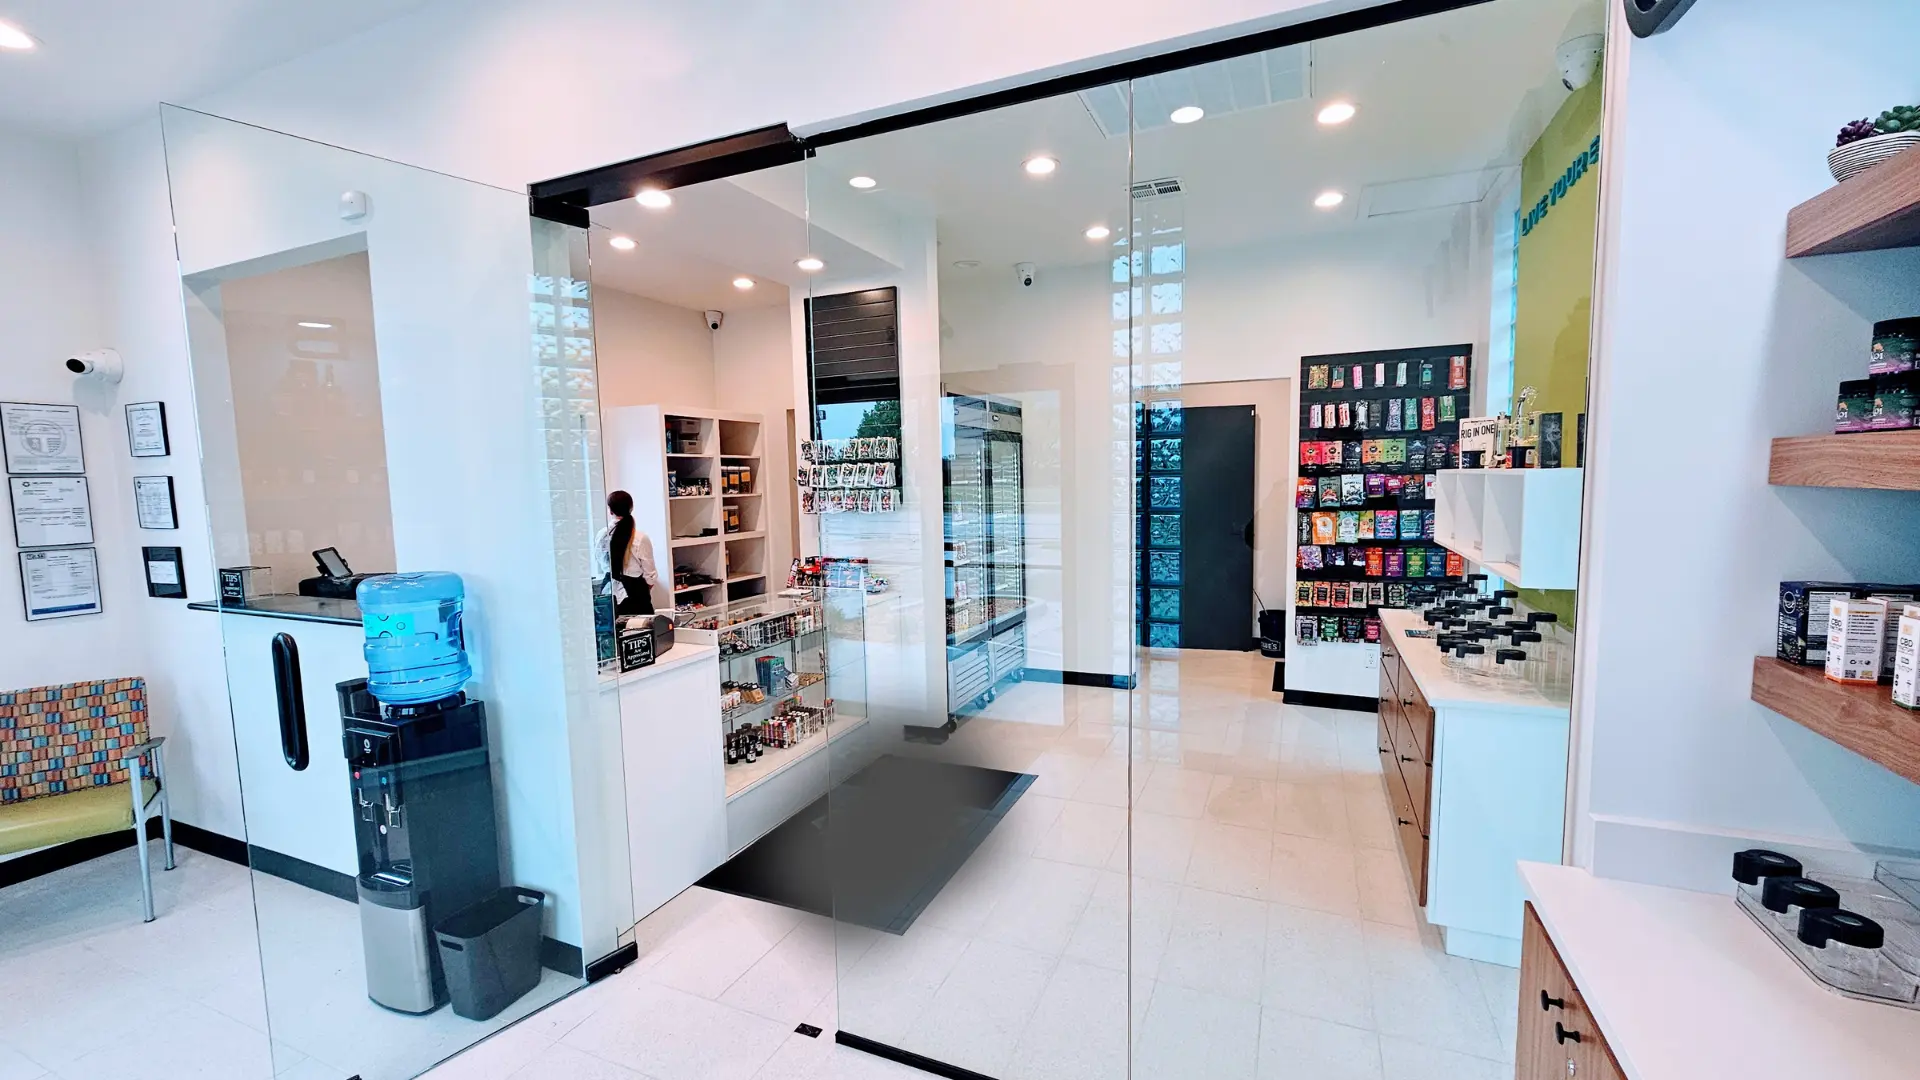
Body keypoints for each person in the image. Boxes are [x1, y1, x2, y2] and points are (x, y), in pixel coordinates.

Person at [597, 490, 658, 618]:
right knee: (641, 635)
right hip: (636, 593)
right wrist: (641, 589)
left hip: (608, 592)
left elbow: (601, 562)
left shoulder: (602, 535)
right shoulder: (640, 538)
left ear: (610, 510)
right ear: (631, 508)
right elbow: (650, 575)